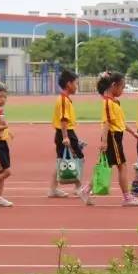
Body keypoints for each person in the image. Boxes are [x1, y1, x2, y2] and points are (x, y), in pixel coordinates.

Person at [80, 72, 138, 207]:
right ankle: (127, 197)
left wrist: (134, 133)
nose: (122, 90)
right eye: (121, 87)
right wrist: (104, 141)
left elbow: (120, 122)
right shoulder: (108, 103)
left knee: (106, 165)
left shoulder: (114, 102)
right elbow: (107, 122)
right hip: (112, 137)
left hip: (116, 136)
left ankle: (86, 190)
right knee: (122, 166)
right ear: (114, 85)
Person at [47, 70, 81, 199]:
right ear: (69, 84)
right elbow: (63, 119)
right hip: (64, 133)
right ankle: (78, 187)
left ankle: (53, 189)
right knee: (77, 158)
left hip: (65, 132)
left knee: (62, 160)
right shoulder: (63, 100)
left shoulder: (65, 99)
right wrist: (66, 137)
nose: (76, 86)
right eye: (75, 83)